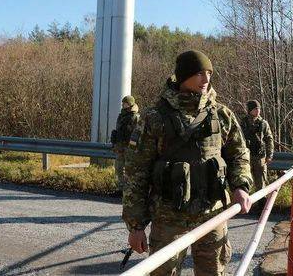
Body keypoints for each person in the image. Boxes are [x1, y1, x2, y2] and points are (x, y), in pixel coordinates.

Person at [123, 50, 253, 275]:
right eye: (200, 73)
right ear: (184, 76)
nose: (206, 79)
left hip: (212, 214)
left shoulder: (222, 115)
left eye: (209, 73)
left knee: (213, 272)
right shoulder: (155, 117)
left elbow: (239, 154)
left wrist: (241, 186)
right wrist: (136, 226)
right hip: (169, 218)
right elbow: (136, 172)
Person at [240, 100, 274, 193]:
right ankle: (246, 200)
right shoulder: (243, 123)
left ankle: (262, 201)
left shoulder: (263, 123)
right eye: (255, 109)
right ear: (250, 110)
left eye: (259, 108)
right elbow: (238, 139)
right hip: (246, 157)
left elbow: (269, 139)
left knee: (261, 184)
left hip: (260, 157)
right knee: (245, 182)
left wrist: (269, 155)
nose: (258, 110)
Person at [111, 95, 140, 194]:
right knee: (119, 168)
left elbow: (137, 134)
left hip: (129, 147)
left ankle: (128, 190)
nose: (123, 105)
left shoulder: (135, 117)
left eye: (125, 103)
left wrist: (133, 147)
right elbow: (118, 130)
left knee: (129, 169)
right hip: (120, 146)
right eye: (123, 103)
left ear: (130, 104)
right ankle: (120, 189)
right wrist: (115, 143)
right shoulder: (121, 116)